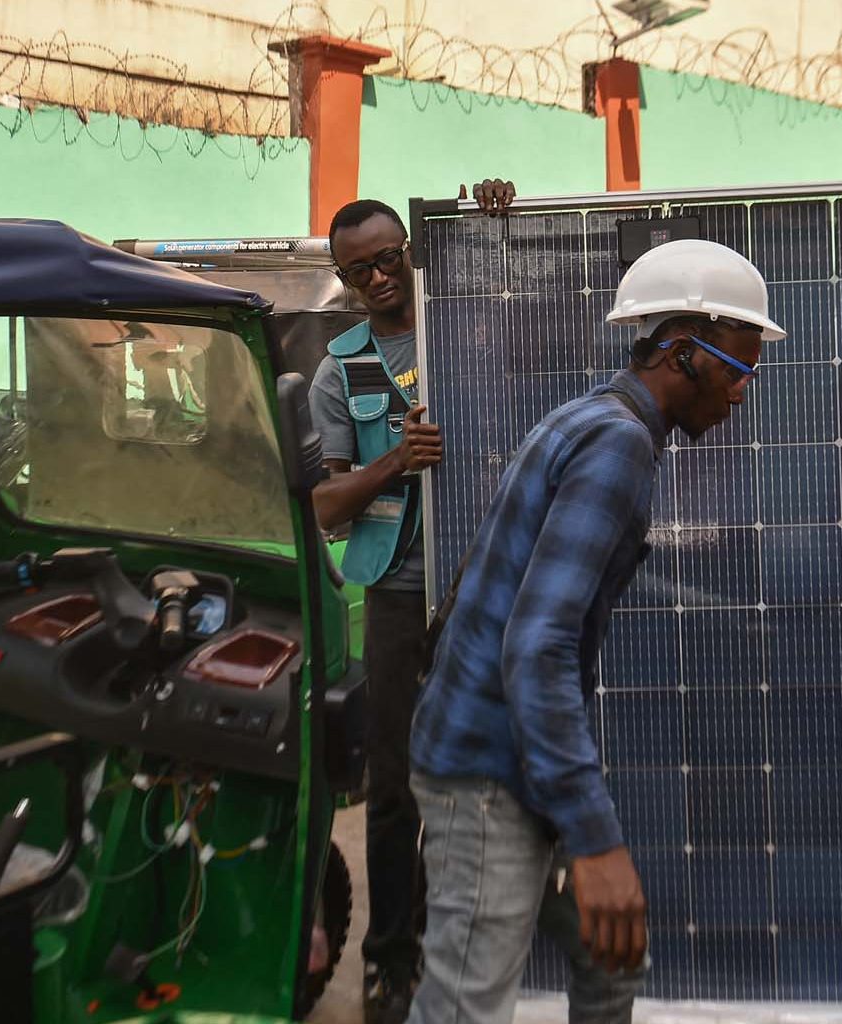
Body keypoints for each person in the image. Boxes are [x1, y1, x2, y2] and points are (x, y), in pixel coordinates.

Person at [406, 239, 785, 1024]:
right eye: (741, 368)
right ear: (683, 353)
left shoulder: (588, 417)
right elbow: (538, 646)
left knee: (610, 953)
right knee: (464, 1007)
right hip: (485, 771)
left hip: (504, 753)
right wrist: (594, 838)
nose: (744, 393)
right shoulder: (616, 444)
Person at [306, 179, 516, 1024]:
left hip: (486, 588)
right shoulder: (339, 368)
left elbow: (540, 313)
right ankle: (390, 961)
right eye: (360, 270)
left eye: (391, 258)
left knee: (482, 783)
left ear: (413, 253)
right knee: (391, 790)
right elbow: (323, 507)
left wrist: (493, 229)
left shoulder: (465, 327)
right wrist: (394, 461)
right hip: (397, 598)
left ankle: (465, 950)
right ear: (343, 278)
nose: (380, 277)